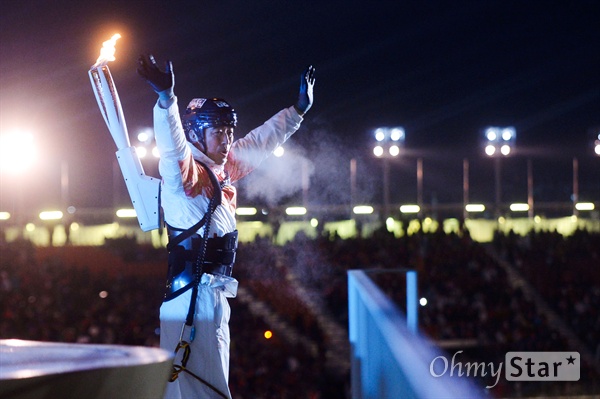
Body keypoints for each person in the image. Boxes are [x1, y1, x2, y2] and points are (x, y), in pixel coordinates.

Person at [136, 54, 315, 399]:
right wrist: (166, 100)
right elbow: (172, 147)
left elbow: (261, 142)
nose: (228, 139)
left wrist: (297, 111)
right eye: (218, 131)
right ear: (196, 134)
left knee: (195, 389)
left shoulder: (224, 169)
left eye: (230, 130)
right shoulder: (184, 175)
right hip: (193, 298)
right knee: (204, 390)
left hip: (212, 294)